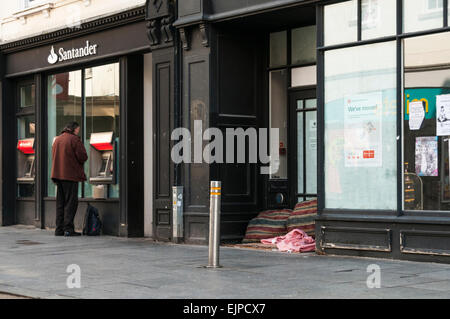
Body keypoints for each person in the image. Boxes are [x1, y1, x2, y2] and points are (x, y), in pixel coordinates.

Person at [51, 122, 88, 237]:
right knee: (71, 203)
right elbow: (83, 156)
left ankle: (59, 229)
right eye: (78, 129)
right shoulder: (74, 139)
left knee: (60, 203)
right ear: (74, 129)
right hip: (70, 175)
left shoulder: (57, 139)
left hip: (58, 175)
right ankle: (68, 229)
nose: (78, 131)